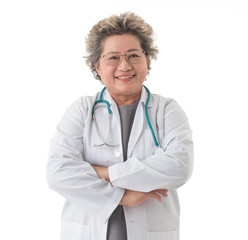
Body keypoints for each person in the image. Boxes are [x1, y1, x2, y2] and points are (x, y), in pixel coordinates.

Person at [47, 12, 194, 240]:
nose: (125, 66)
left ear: (147, 60)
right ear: (97, 65)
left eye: (134, 55)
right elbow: (58, 173)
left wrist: (105, 173)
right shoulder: (81, 110)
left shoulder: (168, 110)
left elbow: (179, 167)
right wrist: (122, 196)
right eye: (113, 57)